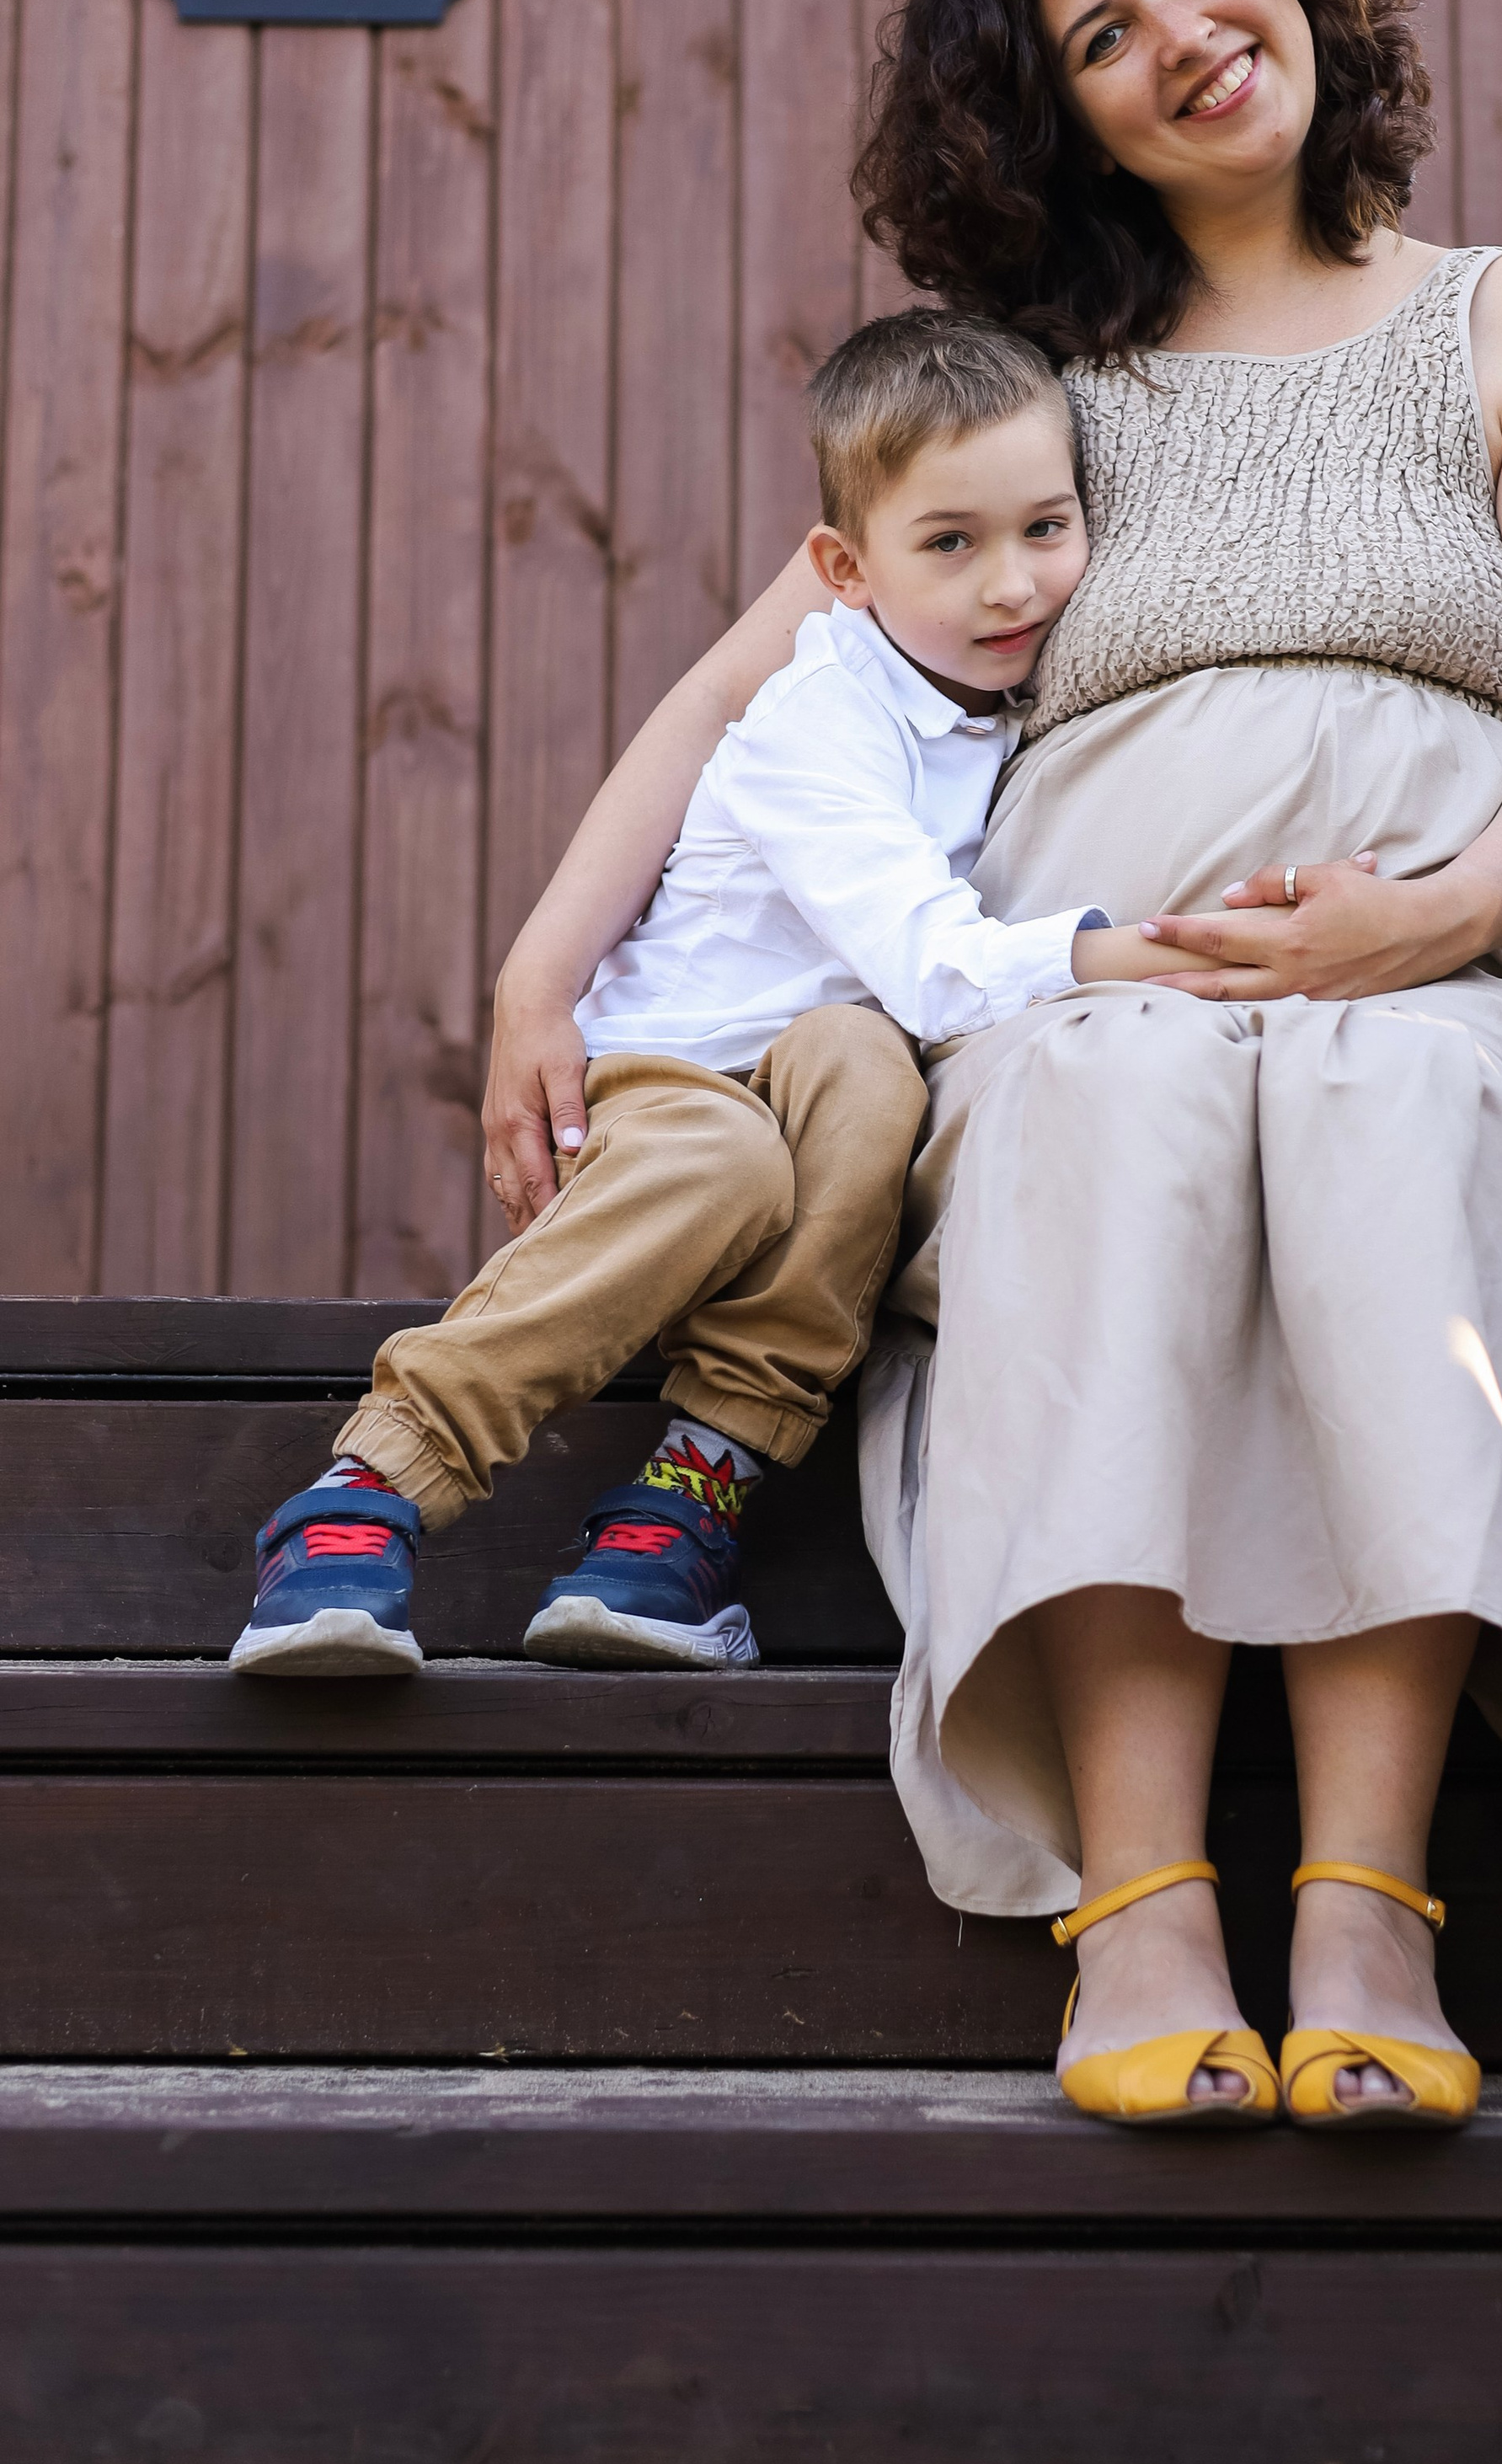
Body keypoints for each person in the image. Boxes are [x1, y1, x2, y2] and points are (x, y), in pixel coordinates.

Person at [480, 0, 1502, 2130]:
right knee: (1104, 1102)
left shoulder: (1499, 320)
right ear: (1050, 108)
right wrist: (539, 974)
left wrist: (1432, 919)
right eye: (1102, 31)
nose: (1182, 35)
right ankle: (1146, 1898)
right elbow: (736, 695)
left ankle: (1370, 1901)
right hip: (1084, 995)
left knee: (1385, 1110)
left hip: (1439, 990)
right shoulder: (1034, 388)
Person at [229, 312, 1158, 1682]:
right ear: (844, 570)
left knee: (865, 1065)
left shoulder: (985, 704)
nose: (1014, 584)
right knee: (735, 1147)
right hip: (670, 1082)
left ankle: (684, 1503)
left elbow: (887, 1014)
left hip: (811, 1093)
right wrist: (1121, 950)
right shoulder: (816, 715)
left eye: (1047, 529)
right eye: (950, 544)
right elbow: (929, 958)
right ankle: (371, 1489)